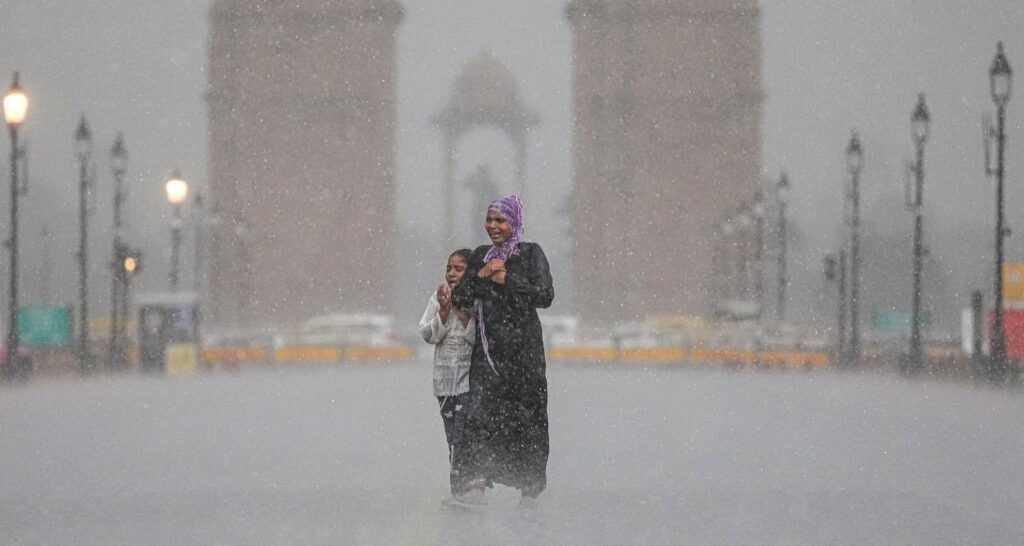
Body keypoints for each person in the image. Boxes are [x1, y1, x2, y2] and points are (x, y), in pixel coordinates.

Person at [450, 194, 554, 508]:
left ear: (514, 222)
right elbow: (462, 296)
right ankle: (476, 485)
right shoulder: (481, 256)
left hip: (524, 357)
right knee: (479, 417)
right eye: (489, 219)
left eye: (500, 220)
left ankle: (529, 490)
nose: (493, 226)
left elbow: (545, 295)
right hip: (487, 356)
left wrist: (507, 278)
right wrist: (482, 274)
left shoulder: (531, 253)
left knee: (527, 420)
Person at [418, 249, 476, 499]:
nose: (452, 273)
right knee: (452, 437)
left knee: (464, 436)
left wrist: (461, 310)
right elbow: (428, 334)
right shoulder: (437, 297)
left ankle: (467, 486)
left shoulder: (477, 300)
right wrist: (443, 310)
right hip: (443, 384)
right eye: (449, 268)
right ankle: (458, 490)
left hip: (468, 382)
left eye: (459, 269)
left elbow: (478, 337)